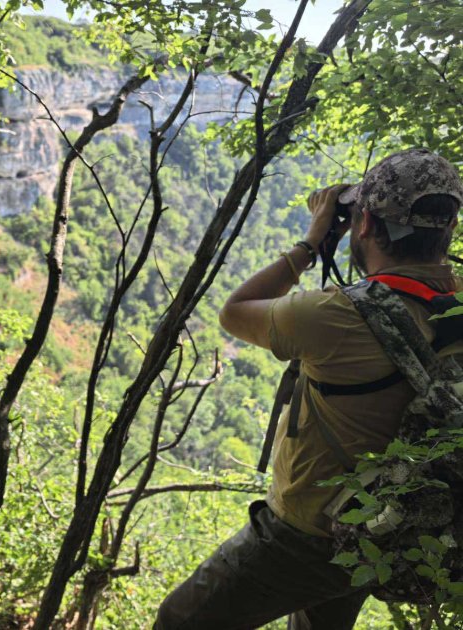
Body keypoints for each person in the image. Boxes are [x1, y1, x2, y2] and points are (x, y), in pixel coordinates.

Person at [154, 148, 463, 629]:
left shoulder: (337, 316)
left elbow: (235, 311)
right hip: (379, 530)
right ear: (449, 228)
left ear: (365, 224)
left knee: (179, 620)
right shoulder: (456, 307)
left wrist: (311, 241)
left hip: (306, 534)